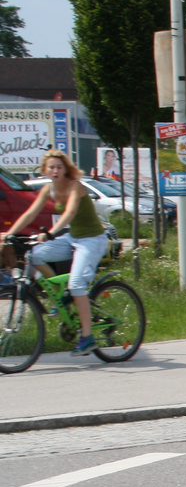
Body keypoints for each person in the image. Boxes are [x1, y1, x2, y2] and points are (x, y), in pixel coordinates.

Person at [2, 150, 110, 355]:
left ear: (65, 169)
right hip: (73, 238)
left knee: (77, 284)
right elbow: (30, 212)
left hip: (92, 239)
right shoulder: (47, 189)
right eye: (51, 167)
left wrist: (51, 233)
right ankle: (62, 296)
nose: (55, 170)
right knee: (34, 255)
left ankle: (87, 338)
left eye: (59, 167)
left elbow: (69, 212)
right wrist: (10, 233)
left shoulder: (75, 186)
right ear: (45, 170)